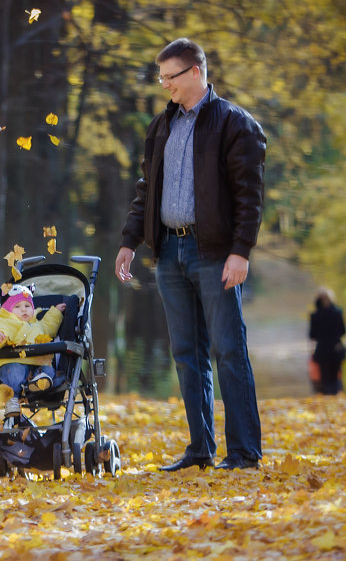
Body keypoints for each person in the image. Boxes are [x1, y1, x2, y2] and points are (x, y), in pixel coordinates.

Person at [114, 38, 267, 472]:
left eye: (170, 77)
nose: (165, 86)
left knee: (229, 351)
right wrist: (130, 241)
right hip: (169, 251)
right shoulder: (162, 126)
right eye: (161, 78)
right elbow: (147, 190)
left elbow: (249, 196)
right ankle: (201, 450)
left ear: (195, 72)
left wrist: (241, 252)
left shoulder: (235, 124)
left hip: (216, 253)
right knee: (186, 353)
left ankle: (243, 452)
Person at [0, 284, 66, 416]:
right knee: (13, 373)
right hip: (13, 362)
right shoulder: (6, 322)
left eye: (27, 306)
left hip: (37, 364)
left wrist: (55, 312)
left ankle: (39, 382)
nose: (24, 310)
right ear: (8, 310)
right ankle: (12, 400)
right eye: (17, 307)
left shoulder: (37, 324)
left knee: (48, 370)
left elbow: (49, 327)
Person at [308, 288, 346, 395]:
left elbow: (312, 335)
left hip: (322, 349)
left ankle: (328, 396)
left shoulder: (315, 315)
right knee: (335, 375)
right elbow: (343, 331)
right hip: (335, 348)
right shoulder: (338, 313)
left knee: (325, 377)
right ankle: (335, 394)